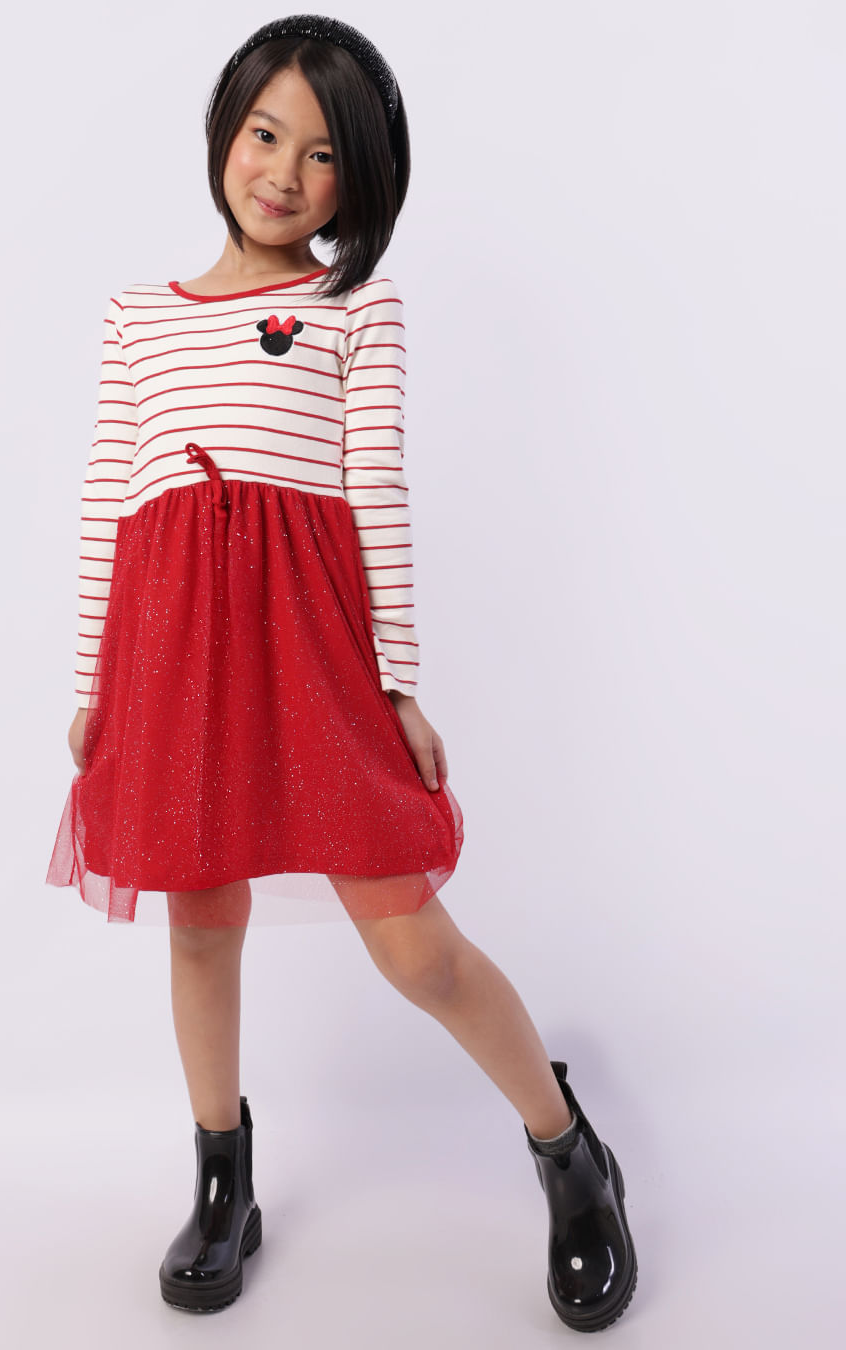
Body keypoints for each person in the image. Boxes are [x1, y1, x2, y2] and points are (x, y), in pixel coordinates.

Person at [45, 12, 637, 1331]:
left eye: (322, 156)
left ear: (359, 185)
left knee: (414, 945)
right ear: (224, 130)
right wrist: (94, 680)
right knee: (201, 924)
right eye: (266, 134)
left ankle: (567, 1149)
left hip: (314, 659)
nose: (283, 173)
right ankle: (223, 1179)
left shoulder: (357, 310)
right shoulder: (138, 318)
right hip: (172, 658)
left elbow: (376, 496)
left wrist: (400, 684)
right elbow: (108, 504)